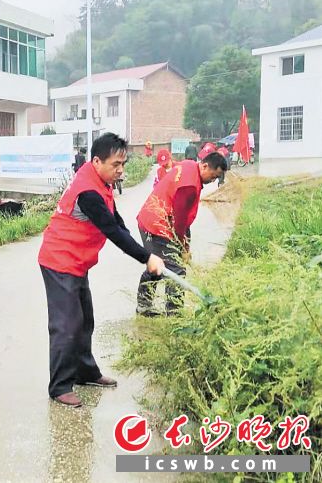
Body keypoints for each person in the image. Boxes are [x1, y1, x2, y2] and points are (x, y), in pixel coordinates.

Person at [37, 133, 165, 407]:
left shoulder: (101, 183)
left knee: (85, 320)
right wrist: (146, 258)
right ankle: (60, 386)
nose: (121, 170)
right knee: (66, 325)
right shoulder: (88, 192)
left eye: (123, 164)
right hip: (59, 260)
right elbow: (111, 231)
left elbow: (117, 222)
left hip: (77, 261)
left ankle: (85, 372)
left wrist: (144, 253)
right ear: (97, 161)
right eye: (115, 164)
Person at [136, 152, 228, 316]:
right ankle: (174, 315)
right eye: (213, 176)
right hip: (157, 225)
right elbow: (179, 220)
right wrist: (182, 248)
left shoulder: (189, 165)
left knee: (157, 266)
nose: (213, 181)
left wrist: (186, 246)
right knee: (176, 270)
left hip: (152, 219)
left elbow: (183, 220)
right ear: (205, 166)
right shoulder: (190, 186)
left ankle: (145, 306)